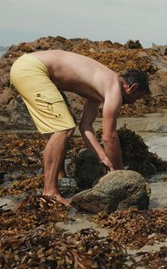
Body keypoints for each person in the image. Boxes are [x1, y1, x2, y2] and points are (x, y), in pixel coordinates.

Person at [9, 50, 150, 205]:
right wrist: (120, 173)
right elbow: (109, 137)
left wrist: (103, 158)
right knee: (64, 127)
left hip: (25, 67)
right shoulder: (114, 88)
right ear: (132, 87)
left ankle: (60, 177)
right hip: (32, 69)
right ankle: (50, 191)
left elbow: (85, 126)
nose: (134, 102)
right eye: (137, 97)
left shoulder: (100, 87)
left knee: (66, 122)